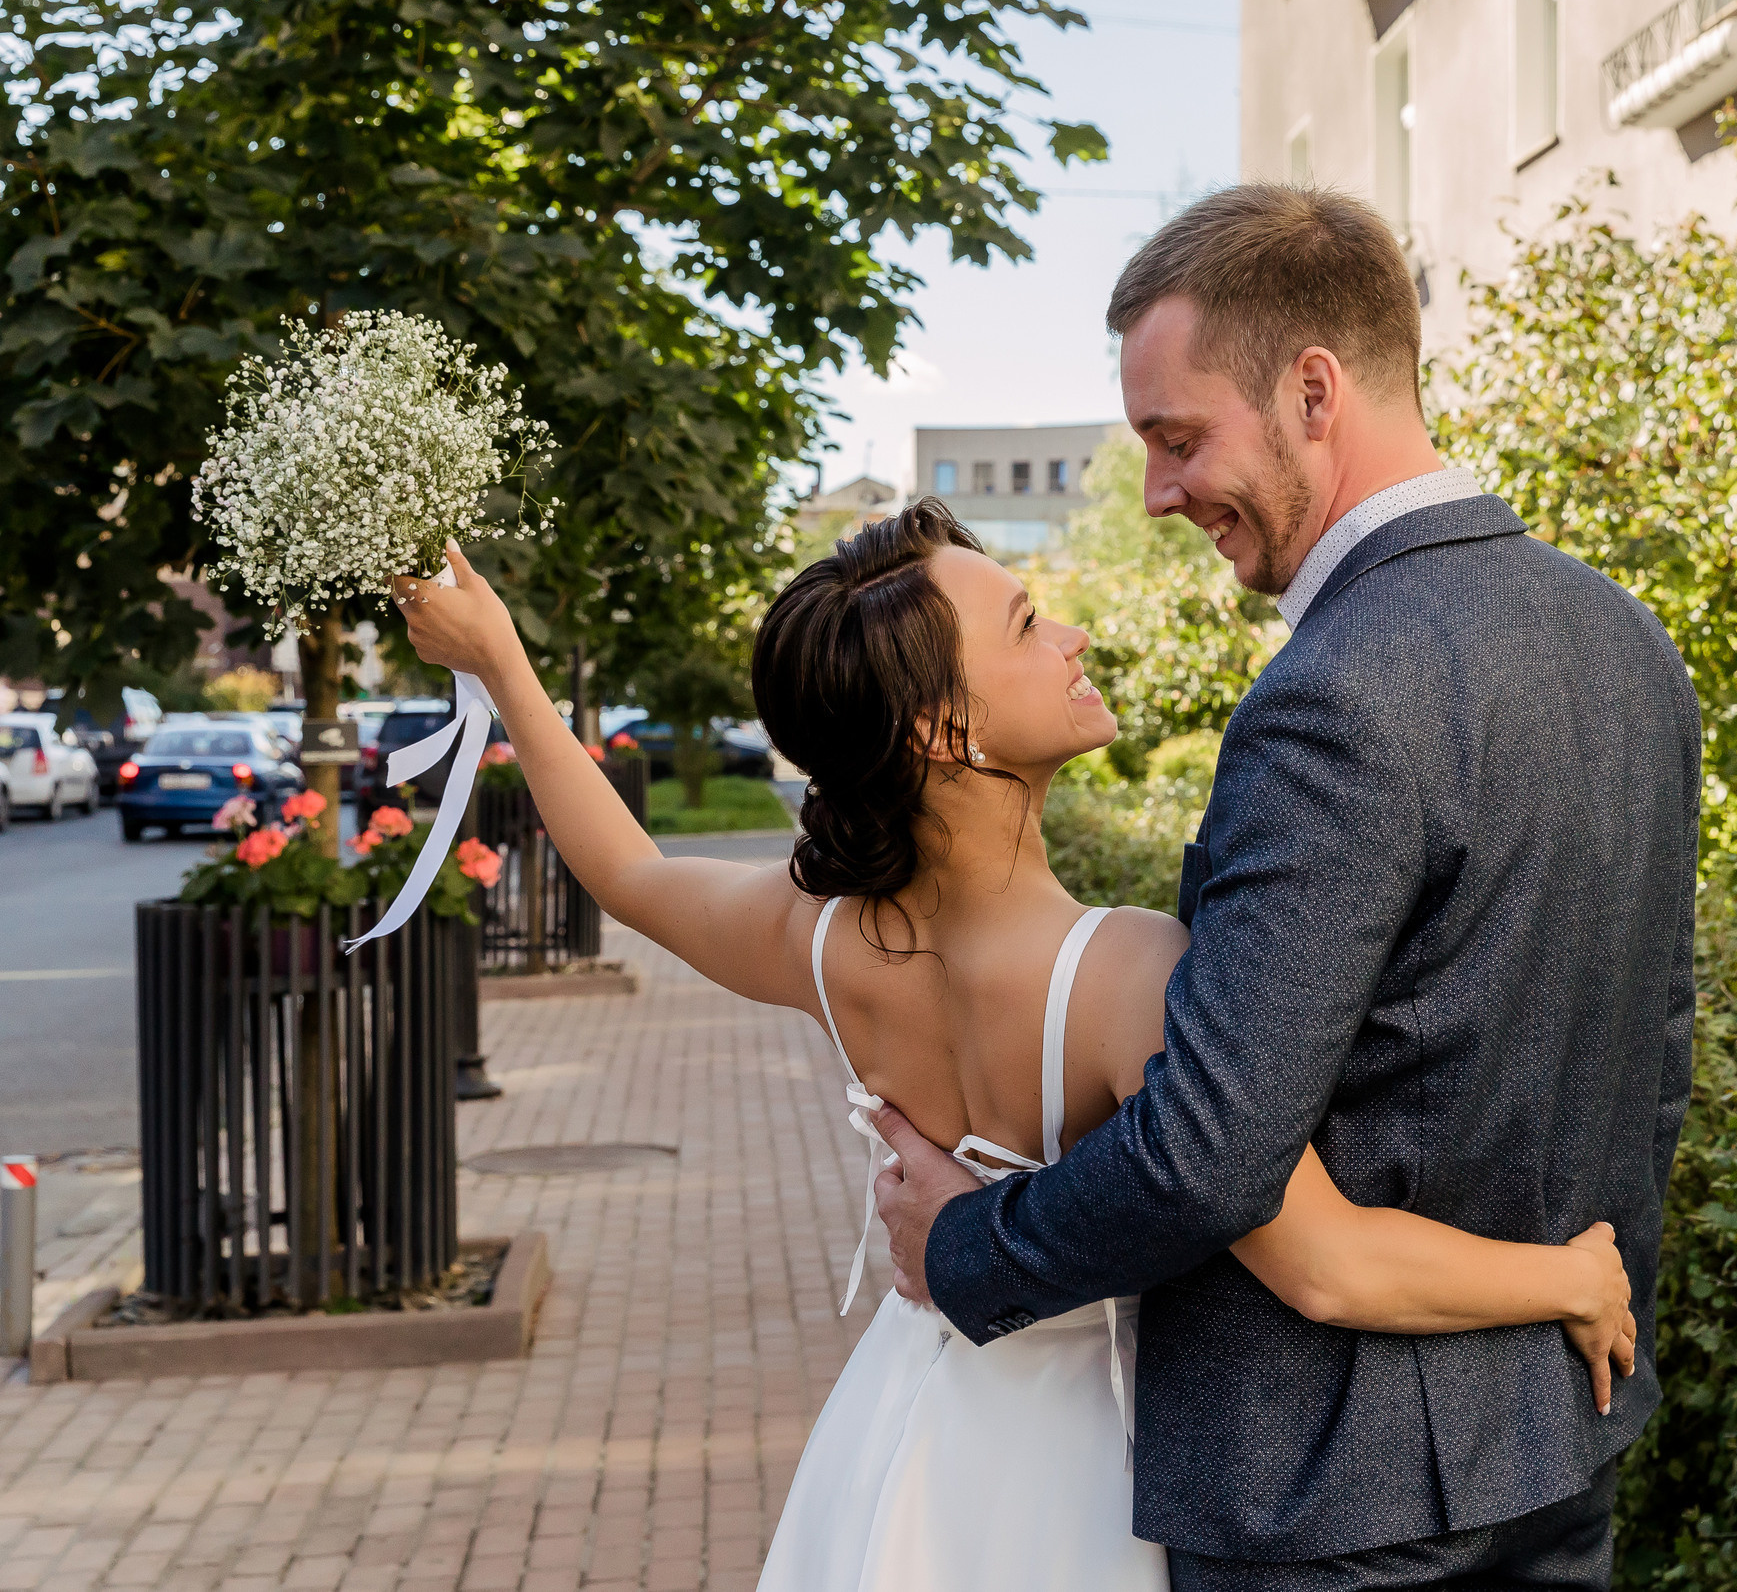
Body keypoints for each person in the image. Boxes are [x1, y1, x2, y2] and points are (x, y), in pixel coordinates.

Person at [390, 502, 1640, 1591]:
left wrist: (500, 656)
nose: (1072, 636)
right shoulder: (1127, 972)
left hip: (905, 1424)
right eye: (1031, 625)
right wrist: (1571, 1279)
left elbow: (628, 872)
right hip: (1077, 1472)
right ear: (941, 731)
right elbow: (1325, 1271)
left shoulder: (827, 943)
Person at [870, 184, 1703, 1589]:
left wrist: (966, 1244)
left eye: (1179, 437)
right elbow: (1655, 1049)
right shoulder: (1628, 639)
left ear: (1313, 389)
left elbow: (1209, 1151)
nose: (1156, 490)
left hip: (1332, 1502)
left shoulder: (1332, 696)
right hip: (1564, 1433)